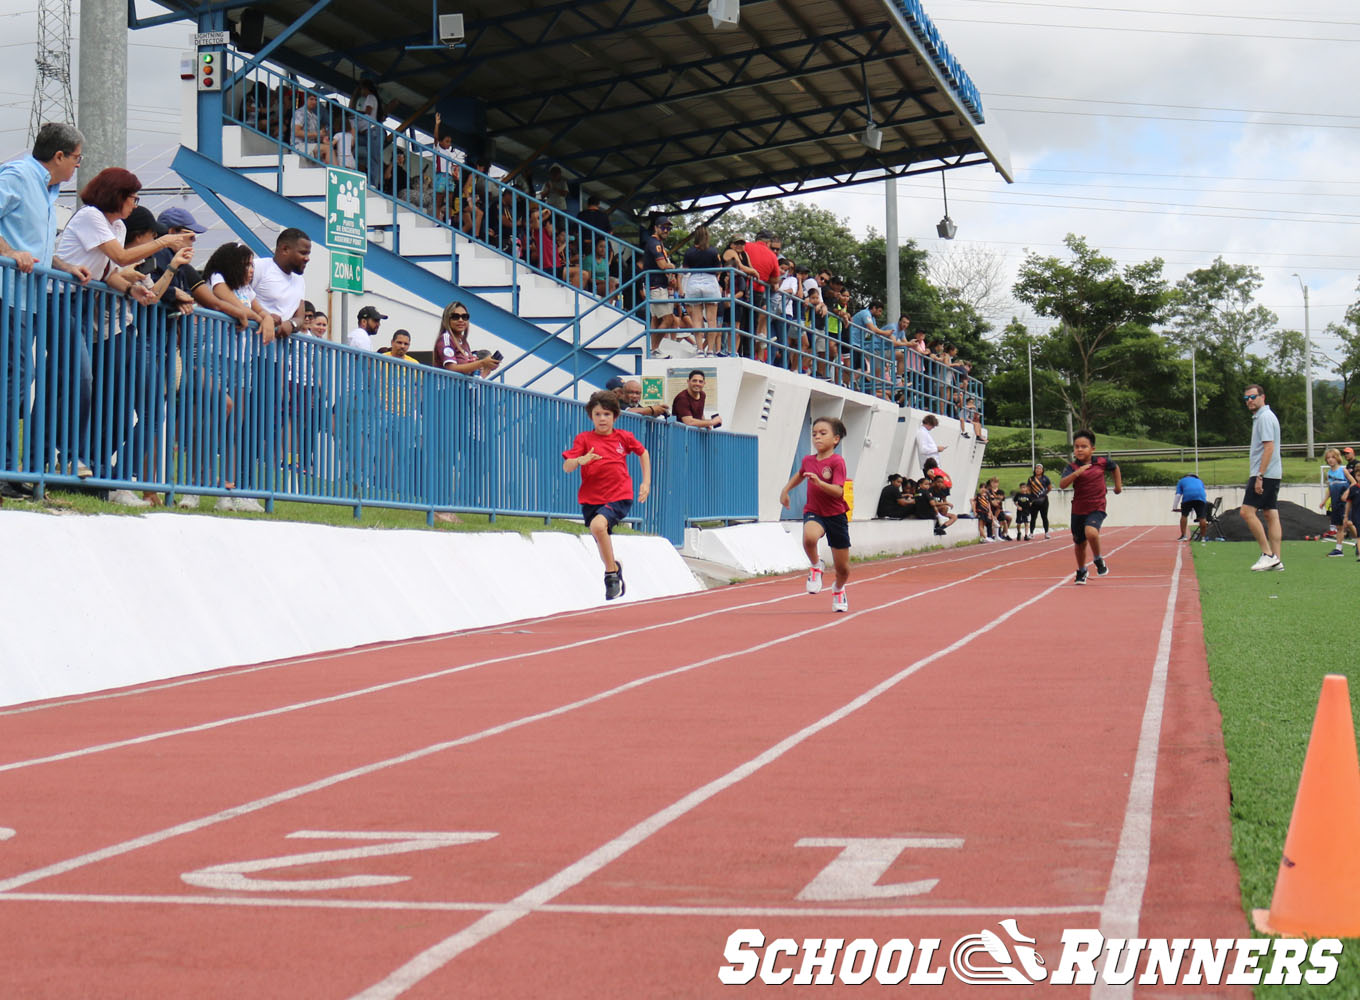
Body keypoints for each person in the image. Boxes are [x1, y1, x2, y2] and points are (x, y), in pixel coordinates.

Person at [562, 389, 651, 601]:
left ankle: (610, 576)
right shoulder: (584, 439)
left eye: (607, 414)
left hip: (619, 494)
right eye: (598, 414)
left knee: (598, 526)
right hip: (591, 498)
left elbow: (643, 453)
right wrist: (579, 461)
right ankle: (613, 568)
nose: (602, 419)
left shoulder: (624, 437)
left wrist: (646, 482)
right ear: (591, 416)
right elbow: (567, 466)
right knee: (601, 538)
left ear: (615, 417)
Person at [779, 416, 851, 612]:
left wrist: (820, 483)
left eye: (822, 433)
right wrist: (786, 490)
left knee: (843, 570)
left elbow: (838, 491)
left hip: (836, 515)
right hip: (814, 511)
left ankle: (838, 588)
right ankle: (816, 565)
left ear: (835, 439)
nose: (817, 437)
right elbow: (801, 474)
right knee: (809, 538)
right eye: (814, 434)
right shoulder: (808, 461)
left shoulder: (837, 462)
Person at [1059, 429, 1122, 585]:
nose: (1079, 449)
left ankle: (1097, 558)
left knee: (1091, 532)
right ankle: (1081, 570)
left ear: (1092, 448)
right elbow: (1062, 485)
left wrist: (1118, 486)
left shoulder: (1101, 462)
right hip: (1078, 508)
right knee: (1079, 543)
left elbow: (1115, 468)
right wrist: (1077, 473)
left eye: (1084, 446)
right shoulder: (1072, 467)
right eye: (1076, 446)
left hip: (1097, 505)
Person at [1240, 384, 1284, 572]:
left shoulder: (1265, 417)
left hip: (1265, 474)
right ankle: (1277, 559)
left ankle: (1267, 554)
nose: (1249, 400)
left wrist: (1260, 475)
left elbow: (1269, 447)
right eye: (1246, 398)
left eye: (1253, 397)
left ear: (1262, 397)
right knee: (1270, 513)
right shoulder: (1263, 417)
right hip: (1272, 473)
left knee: (1247, 512)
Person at [250, 228, 310, 337]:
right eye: (303, 253)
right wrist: (264, 316)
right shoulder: (258, 267)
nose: (307, 258)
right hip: (247, 348)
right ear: (285, 249)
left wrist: (291, 324)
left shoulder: (300, 280)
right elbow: (238, 296)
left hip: (277, 352)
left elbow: (300, 317)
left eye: (308, 254)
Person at [642, 215, 681, 354]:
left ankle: (653, 348)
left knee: (657, 319)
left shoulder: (657, 243)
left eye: (668, 228)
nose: (666, 230)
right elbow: (663, 265)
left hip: (657, 285)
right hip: (655, 286)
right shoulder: (655, 243)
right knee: (668, 319)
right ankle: (653, 348)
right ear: (656, 228)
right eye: (663, 227)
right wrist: (672, 267)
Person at [681, 226, 722, 356]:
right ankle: (710, 350)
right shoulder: (713, 251)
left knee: (697, 318)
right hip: (710, 280)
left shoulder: (689, 252)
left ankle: (699, 349)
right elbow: (718, 269)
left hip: (693, 281)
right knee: (712, 320)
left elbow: (685, 269)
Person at [433, 300, 500, 376]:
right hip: (446, 387)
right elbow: (451, 368)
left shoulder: (463, 342)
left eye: (465, 317)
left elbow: (469, 373)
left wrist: (487, 366)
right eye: (455, 317)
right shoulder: (446, 339)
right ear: (447, 319)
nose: (460, 320)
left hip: (461, 387)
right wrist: (482, 362)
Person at [1320, 449, 1352, 556]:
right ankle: (1339, 549)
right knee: (1339, 526)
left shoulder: (1343, 470)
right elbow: (1330, 487)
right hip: (1335, 503)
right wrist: (1324, 501)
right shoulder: (1329, 473)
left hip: (1344, 503)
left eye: (1332, 457)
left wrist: (1346, 493)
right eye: (1328, 458)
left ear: (1337, 458)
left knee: (1349, 524)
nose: (1330, 460)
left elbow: (1353, 483)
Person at [1174, 471, 1208, 542]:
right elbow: (1203, 492)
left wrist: (1174, 507)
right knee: (1202, 517)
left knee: (1184, 515)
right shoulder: (1199, 481)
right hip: (1201, 498)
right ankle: (1203, 538)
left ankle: (1184, 536)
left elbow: (1178, 495)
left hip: (1187, 498)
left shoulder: (1181, 481)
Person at [1026, 464, 1052, 539]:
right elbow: (1028, 488)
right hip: (1034, 500)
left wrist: (1044, 494)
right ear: (1034, 470)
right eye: (1037, 468)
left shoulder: (1045, 478)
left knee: (1044, 517)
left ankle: (1046, 532)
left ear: (1042, 470)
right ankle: (1031, 533)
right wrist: (1030, 497)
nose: (1038, 470)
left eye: (1040, 468)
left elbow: (1049, 488)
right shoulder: (1031, 479)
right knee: (1033, 517)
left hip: (1044, 500)